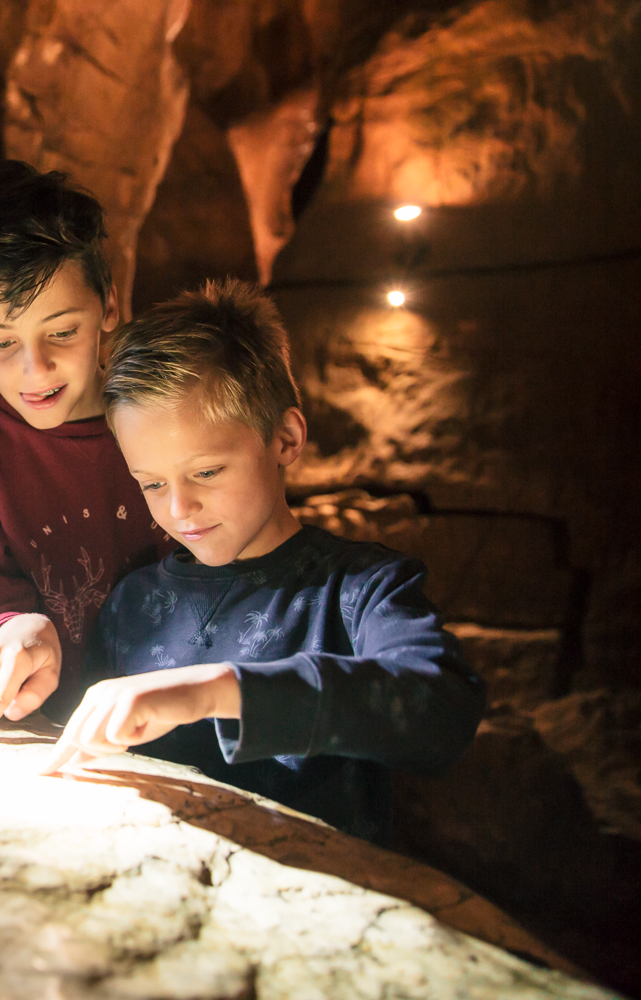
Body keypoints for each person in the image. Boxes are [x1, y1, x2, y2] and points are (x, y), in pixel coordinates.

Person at [43, 278, 486, 844]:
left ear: (285, 439)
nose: (179, 508)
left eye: (206, 472)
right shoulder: (133, 602)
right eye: (150, 483)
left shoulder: (360, 591)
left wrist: (219, 690)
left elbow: (442, 709)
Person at [0, 162, 168, 742]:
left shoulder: (167, 421)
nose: (36, 368)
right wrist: (10, 632)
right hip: (56, 737)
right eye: (2, 342)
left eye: (61, 331)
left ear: (108, 303)